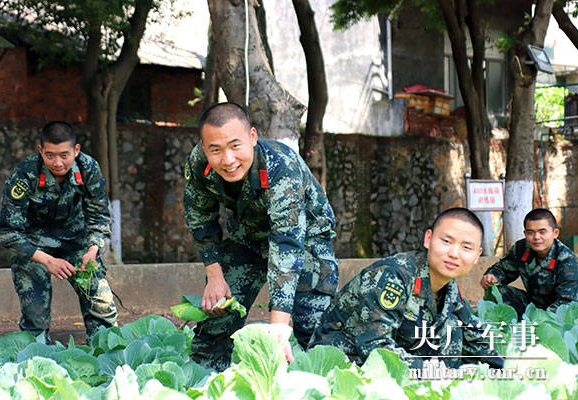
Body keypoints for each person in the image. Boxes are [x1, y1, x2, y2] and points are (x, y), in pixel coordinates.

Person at [184, 102, 339, 371]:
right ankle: (206, 383)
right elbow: (200, 218)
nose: (228, 160)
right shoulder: (200, 164)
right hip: (250, 234)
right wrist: (215, 277)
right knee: (217, 318)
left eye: (235, 146)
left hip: (305, 239)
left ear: (253, 137)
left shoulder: (281, 168)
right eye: (216, 150)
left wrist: (278, 326)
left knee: (313, 327)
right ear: (204, 146)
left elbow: (287, 244)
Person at [309, 207, 503, 369]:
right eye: (446, 241)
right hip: (344, 360)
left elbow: (475, 335)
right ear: (428, 239)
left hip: (395, 359)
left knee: (452, 325)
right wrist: (435, 374)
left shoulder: (448, 287)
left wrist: (507, 370)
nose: (454, 253)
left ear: (477, 255)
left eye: (466, 248)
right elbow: (378, 350)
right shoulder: (393, 277)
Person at [0, 121, 117, 344]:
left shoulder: (89, 168)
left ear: (76, 150)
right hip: (34, 245)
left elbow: (99, 218)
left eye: (64, 155)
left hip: (76, 240)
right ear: (41, 151)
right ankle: (36, 360)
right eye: (50, 155)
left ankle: (105, 356)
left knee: (101, 304)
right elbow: (7, 231)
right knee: (36, 317)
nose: (57, 163)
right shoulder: (25, 174)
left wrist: (93, 250)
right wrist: (47, 260)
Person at [481, 208, 578, 315]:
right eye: (530, 232)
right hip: (534, 304)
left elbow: (566, 301)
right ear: (525, 233)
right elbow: (503, 269)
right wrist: (492, 277)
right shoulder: (521, 248)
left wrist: (541, 317)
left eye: (542, 232)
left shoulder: (566, 259)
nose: (536, 237)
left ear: (555, 233)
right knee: (498, 291)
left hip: (563, 310)